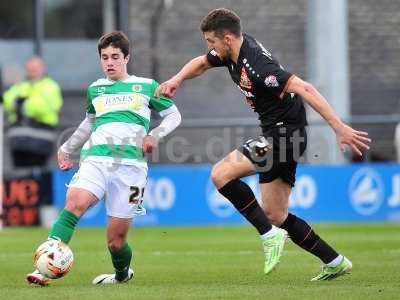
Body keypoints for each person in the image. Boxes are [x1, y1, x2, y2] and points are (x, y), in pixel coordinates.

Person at [155, 8, 371, 280]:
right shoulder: (232, 51)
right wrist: (176, 80)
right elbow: (200, 63)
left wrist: (340, 128)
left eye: (211, 42)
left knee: (221, 173)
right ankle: (335, 260)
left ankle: (269, 237)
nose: (209, 47)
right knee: (275, 213)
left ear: (228, 39)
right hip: (279, 134)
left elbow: (306, 89)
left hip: (283, 136)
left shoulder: (258, 66)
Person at [26, 31, 182, 286]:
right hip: (96, 159)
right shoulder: (95, 89)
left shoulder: (147, 86)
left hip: (131, 169)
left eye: (115, 57)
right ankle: (43, 269)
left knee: (116, 241)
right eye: (104, 57)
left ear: (126, 58)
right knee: (74, 204)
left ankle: (122, 275)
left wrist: (154, 135)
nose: (109, 62)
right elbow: (89, 122)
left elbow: (174, 116)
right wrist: (67, 147)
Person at [3, 56, 63, 168]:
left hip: (40, 142)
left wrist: (21, 104)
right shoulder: (21, 85)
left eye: (35, 67)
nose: (32, 70)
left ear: (43, 68)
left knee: (38, 176)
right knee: (19, 177)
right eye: (30, 68)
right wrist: (23, 103)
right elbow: (7, 101)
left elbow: (44, 107)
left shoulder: (50, 86)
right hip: (18, 142)